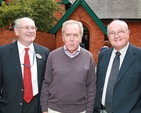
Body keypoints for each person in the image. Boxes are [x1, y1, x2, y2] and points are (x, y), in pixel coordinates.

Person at [40, 20, 96, 113]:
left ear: (81, 38)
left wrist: (89, 110)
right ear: (63, 37)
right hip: (54, 109)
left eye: (75, 35)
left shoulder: (88, 57)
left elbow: (91, 86)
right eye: (68, 35)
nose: (71, 39)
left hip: (80, 110)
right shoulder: (52, 55)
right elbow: (46, 83)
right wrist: (44, 108)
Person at [0, 17, 50, 113]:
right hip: (10, 107)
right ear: (16, 31)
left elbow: (47, 82)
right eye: (26, 28)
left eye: (33, 28)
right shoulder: (3, 53)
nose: (31, 31)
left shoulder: (44, 53)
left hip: (36, 106)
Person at [93, 19, 141, 113]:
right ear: (108, 36)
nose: (116, 36)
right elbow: (98, 83)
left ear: (128, 33)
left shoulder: (139, 56)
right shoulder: (103, 55)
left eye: (120, 32)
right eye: (112, 33)